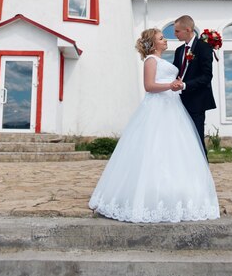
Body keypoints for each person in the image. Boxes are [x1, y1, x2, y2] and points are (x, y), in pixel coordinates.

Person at [89, 28, 219, 223]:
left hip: (173, 107)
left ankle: (177, 193)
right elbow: (149, 86)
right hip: (158, 107)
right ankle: (147, 194)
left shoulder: (166, 61)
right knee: (154, 149)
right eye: (161, 38)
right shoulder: (151, 61)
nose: (165, 40)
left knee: (175, 151)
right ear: (153, 43)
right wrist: (170, 86)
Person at [173, 15, 216, 157]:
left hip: (197, 102)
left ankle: (204, 174)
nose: (175, 34)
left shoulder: (204, 48)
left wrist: (185, 85)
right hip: (179, 103)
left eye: (177, 31)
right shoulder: (179, 51)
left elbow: (207, 76)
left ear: (188, 29)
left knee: (197, 139)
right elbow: (176, 72)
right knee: (182, 140)